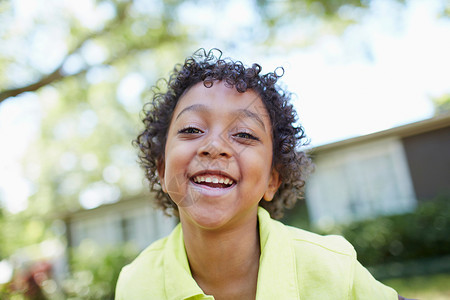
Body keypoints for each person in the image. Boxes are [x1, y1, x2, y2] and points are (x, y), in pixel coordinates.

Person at [115, 49, 408, 299]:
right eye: (192, 129)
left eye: (243, 134)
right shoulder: (135, 284)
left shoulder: (333, 268)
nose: (214, 146)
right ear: (163, 168)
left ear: (272, 180)